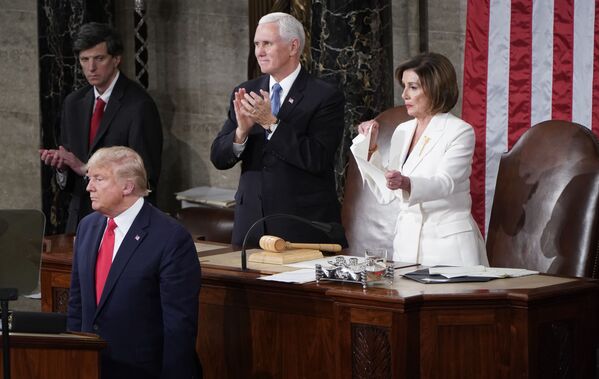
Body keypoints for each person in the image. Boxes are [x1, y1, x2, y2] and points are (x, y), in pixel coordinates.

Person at [210, 12, 346, 246]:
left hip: (299, 225)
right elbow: (219, 158)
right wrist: (240, 133)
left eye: (267, 44)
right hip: (251, 225)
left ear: (293, 47)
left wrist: (271, 124)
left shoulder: (324, 95)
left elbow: (317, 158)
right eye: (256, 44)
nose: (259, 52)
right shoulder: (246, 91)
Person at [67, 146, 202, 379]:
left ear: (127, 186)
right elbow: (77, 304)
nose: (89, 187)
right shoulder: (87, 227)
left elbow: (179, 325)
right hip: (91, 366)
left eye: (99, 179)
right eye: (90, 179)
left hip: (142, 370)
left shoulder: (170, 237)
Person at [351, 52, 488, 266]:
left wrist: (407, 182)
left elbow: (446, 182)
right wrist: (371, 147)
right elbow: (388, 191)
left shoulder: (459, 131)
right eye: (404, 86)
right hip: (406, 246)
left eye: (413, 87)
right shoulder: (403, 130)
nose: (404, 94)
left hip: (448, 248)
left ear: (435, 89)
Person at [40, 22, 163, 234]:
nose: (91, 68)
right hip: (80, 222)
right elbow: (72, 174)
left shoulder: (139, 106)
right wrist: (62, 167)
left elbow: (145, 177)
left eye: (99, 58)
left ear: (116, 59)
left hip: (121, 223)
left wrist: (87, 169)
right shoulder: (73, 103)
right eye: (84, 60)